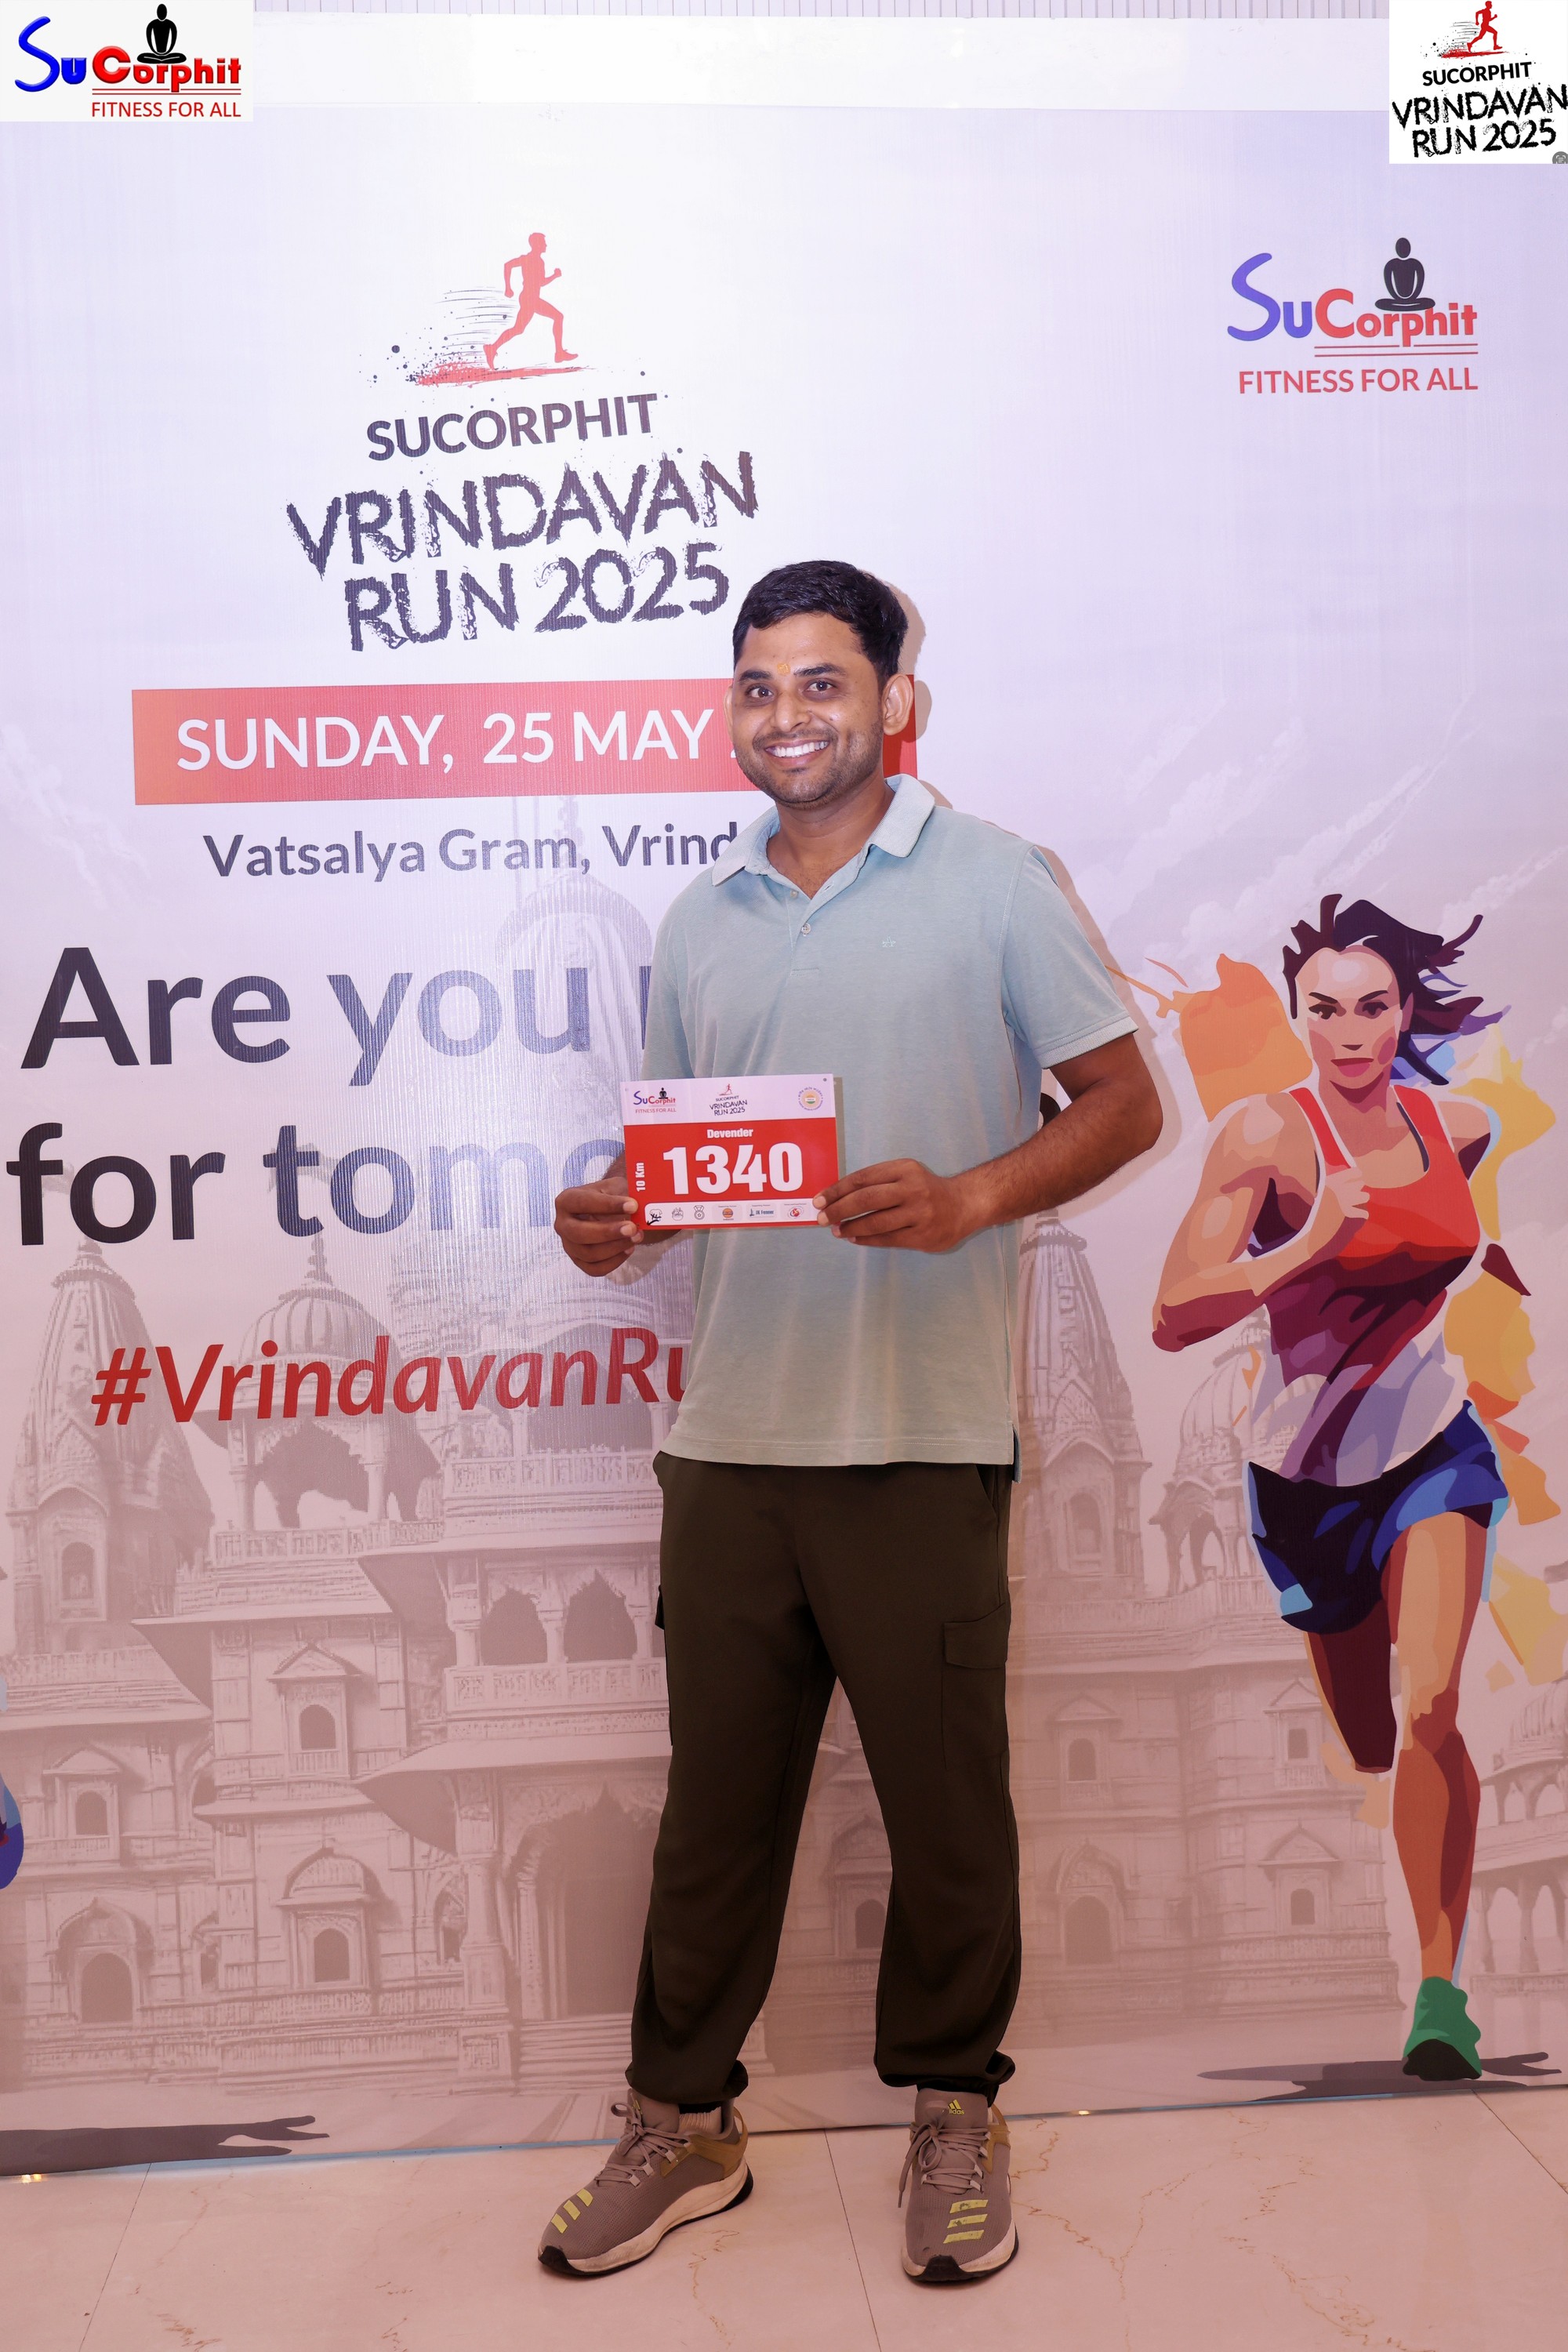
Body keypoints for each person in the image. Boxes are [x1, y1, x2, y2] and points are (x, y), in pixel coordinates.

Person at [542, 558, 1160, 2282]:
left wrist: (970, 1200)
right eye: (758, 685)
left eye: (822, 681)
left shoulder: (996, 883)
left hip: (919, 1433)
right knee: (712, 1818)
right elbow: (678, 1175)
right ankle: (682, 2121)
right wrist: (612, 1218)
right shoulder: (700, 920)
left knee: (945, 1814)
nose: (786, 715)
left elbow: (1125, 1105)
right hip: (729, 1446)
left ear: (900, 702)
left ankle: (955, 2113)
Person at [1153, 895, 1507, 2082]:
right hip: (1305, 1478)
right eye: (1325, 1010)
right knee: (1369, 1737)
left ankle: (1440, 1996)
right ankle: (1378, 1761)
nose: (1350, 1033)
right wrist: (1306, 1242)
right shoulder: (1263, 1137)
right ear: (1298, 1015)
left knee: (1431, 1709)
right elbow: (1172, 1313)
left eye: (1371, 1008)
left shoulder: (1457, 1128)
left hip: (1433, 1447)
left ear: (1404, 1011)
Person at [484, 233, 575, 371]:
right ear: (537, 244)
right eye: (543, 242)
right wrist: (508, 287)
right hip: (529, 298)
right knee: (558, 317)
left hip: (531, 298)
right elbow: (507, 265)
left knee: (518, 329)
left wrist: (554, 276)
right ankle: (559, 353)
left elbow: (540, 282)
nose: (546, 245)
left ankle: (492, 348)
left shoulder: (539, 261)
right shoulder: (528, 259)